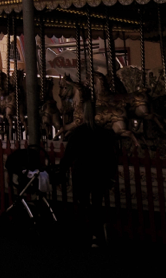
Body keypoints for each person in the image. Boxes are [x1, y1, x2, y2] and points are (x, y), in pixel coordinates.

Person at [60, 100, 119, 249]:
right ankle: (96, 234)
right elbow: (111, 156)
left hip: (82, 172)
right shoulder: (104, 133)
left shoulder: (78, 133)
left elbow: (69, 155)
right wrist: (111, 174)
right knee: (97, 204)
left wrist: (62, 169)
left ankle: (84, 233)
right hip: (99, 172)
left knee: (83, 204)